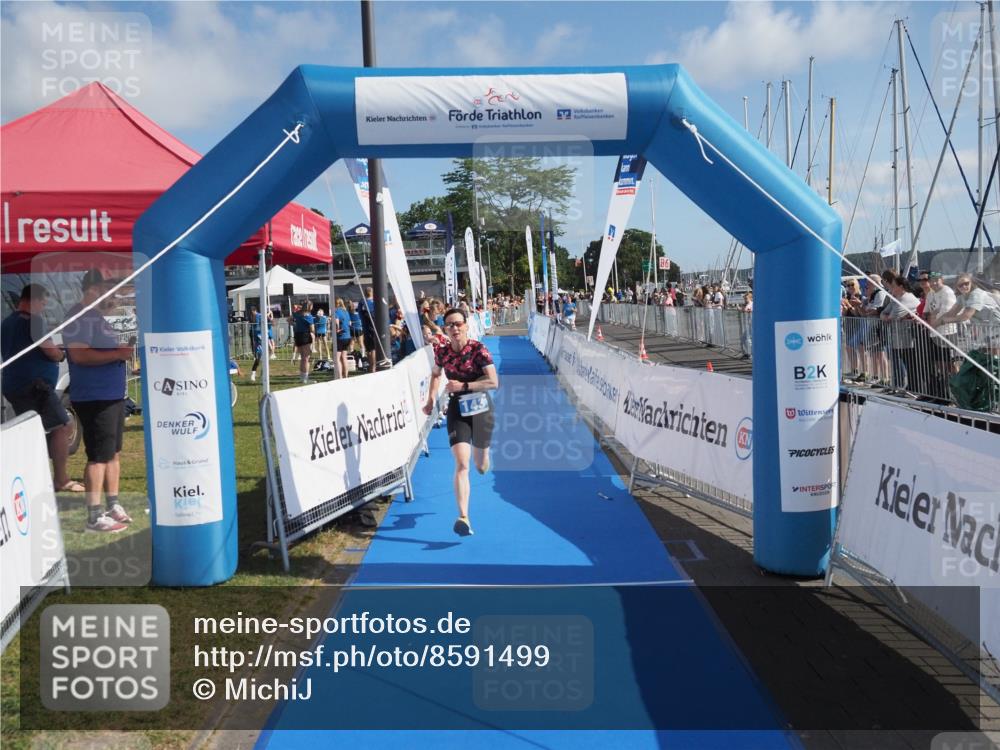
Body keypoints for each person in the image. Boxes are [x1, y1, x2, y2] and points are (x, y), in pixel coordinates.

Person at [62, 269, 135, 532]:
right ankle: (94, 516)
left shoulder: (98, 316)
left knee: (113, 453)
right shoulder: (78, 316)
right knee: (98, 457)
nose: (112, 295)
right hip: (94, 396)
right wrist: (117, 353)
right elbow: (80, 356)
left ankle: (112, 504)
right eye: (107, 289)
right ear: (94, 289)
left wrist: (121, 352)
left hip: (112, 394)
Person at [422, 308, 499, 537]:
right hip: (457, 408)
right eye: (450, 325)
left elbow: (494, 382)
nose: (454, 328)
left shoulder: (478, 350)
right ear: (446, 329)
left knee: (480, 465)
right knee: (462, 464)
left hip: (481, 406)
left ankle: (485, 456)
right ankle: (463, 516)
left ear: (466, 325)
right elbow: (436, 374)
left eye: (458, 324)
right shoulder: (443, 353)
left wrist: (464, 386)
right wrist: (430, 398)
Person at [1, 284, 83, 493]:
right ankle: (61, 479)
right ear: (32, 300)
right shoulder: (34, 321)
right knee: (63, 426)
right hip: (35, 386)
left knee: (32, 430)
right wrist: (62, 355)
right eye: (43, 303)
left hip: (13, 385)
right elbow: (49, 350)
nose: (43, 308)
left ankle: (32, 477)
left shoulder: (6, 323)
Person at [292, 300, 314, 384]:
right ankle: (305, 378)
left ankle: (302, 377)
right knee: (306, 358)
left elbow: (289, 319)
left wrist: (294, 324)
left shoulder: (297, 313)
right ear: (309, 306)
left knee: (302, 358)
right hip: (305, 336)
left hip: (298, 335)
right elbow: (312, 329)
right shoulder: (309, 316)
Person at [334, 299, 353, 379]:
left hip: (340, 336)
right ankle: (346, 376)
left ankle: (340, 377)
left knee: (337, 358)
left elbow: (336, 321)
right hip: (347, 336)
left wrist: (337, 329)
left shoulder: (336, 311)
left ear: (336, 304)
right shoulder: (346, 312)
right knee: (344, 357)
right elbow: (350, 323)